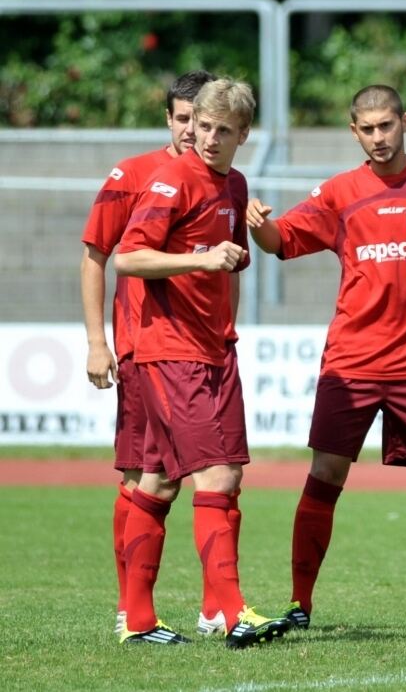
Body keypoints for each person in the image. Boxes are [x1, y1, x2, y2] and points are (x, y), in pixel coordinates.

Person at [246, 85, 406, 630]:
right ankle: (300, 603)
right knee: (326, 473)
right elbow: (282, 241)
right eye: (368, 129)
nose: (379, 138)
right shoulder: (341, 192)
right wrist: (259, 223)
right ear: (354, 131)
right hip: (353, 361)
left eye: (387, 125)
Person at [114, 78, 291, 648]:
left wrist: (227, 274)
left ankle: (138, 622)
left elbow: (229, 262)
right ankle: (234, 612)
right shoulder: (171, 180)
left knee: (160, 481)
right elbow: (128, 257)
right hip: (171, 351)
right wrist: (205, 260)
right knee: (219, 475)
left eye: (222, 130)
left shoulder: (235, 184)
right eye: (203, 127)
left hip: (214, 349)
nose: (208, 138)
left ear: (244, 134)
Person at [81, 70, 225, 636]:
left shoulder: (222, 180)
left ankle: (213, 608)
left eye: (204, 119)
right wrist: (98, 342)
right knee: (148, 474)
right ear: (168, 119)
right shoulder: (135, 175)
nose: (194, 130)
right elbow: (97, 255)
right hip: (146, 349)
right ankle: (133, 608)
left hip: (205, 349)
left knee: (206, 474)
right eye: (184, 118)